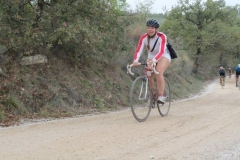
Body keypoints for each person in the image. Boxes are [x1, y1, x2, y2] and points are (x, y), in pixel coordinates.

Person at [132, 19, 171, 104]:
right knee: (148, 74)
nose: (150, 29)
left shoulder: (162, 36)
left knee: (159, 71)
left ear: (156, 29)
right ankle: (153, 95)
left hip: (164, 55)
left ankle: (161, 95)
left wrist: (154, 60)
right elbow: (139, 50)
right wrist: (135, 60)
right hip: (151, 57)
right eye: (148, 28)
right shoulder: (144, 37)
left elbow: (161, 51)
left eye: (152, 28)